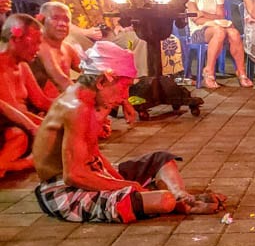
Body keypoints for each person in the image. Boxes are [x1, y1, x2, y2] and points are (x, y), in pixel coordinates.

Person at [32, 42, 226, 222]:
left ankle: (181, 196)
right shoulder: (77, 108)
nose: (125, 95)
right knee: (162, 200)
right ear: (101, 82)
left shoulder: (89, 100)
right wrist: (128, 187)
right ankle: (174, 203)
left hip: (90, 172)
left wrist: (119, 181)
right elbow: (74, 175)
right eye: (124, 87)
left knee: (161, 159)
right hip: (64, 191)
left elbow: (93, 155)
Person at [51, 0, 147, 78]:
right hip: (84, 39)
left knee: (139, 39)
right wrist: (85, 32)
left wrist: (116, 24)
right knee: (68, 39)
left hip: (110, 36)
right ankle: (79, 84)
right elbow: (59, 22)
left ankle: (140, 80)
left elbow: (113, 8)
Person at [186, 0, 251, 89]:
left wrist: (203, 13)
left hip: (216, 27)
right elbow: (196, 19)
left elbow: (220, 15)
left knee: (234, 33)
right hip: (198, 32)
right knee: (219, 31)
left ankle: (241, 71)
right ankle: (209, 71)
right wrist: (213, 18)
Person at [0, 15, 49, 177]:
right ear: (15, 39)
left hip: (24, 124)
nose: (38, 48)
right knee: (18, 136)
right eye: (34, 42)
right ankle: (17, 165)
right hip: (11, 125)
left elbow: (41, 101)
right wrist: (43, 128)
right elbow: (10, 111)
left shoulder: (23, 66)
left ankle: (12, 165)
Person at [29, 3, 80, 99]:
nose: (62, 24)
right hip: (43, 108)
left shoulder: (68, 48)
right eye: (55, 18)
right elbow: (61, 81)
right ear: (42, 20)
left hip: (63, 103)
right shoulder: (40, 46)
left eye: (66, 20)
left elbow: (90, 70)